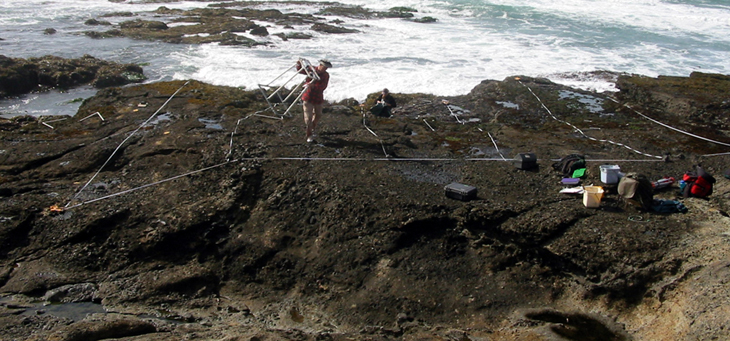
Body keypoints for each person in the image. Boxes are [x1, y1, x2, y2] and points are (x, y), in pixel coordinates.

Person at [297, 59, 331, 143]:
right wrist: (298, 64)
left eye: (327, 68)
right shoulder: (311, 69)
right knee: (308, 117)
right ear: (320, 65)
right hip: (308, 96)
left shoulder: (326, 75)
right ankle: (309, 134)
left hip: (318, 97)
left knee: (318, 114)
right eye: (324, 67)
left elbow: (323, 86)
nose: (325, 69)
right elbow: (300, 71)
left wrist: (313, 85)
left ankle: (313, 127)